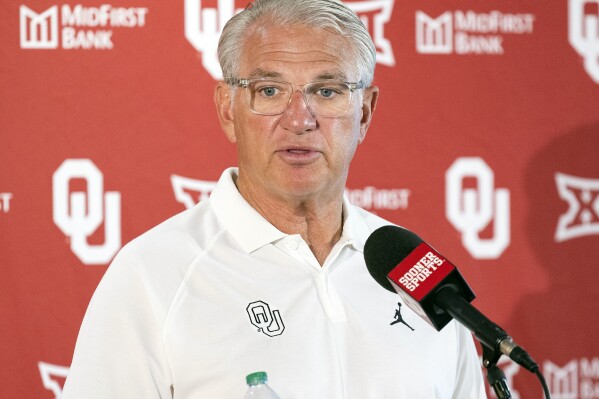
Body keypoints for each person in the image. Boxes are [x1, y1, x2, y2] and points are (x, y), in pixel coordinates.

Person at [62, 0, 487, 397]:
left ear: (364, 113)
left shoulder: (416, 268)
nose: (300, 119)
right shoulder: (154, 274)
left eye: (327, 91)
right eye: (269, 91)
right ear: (228, 108)